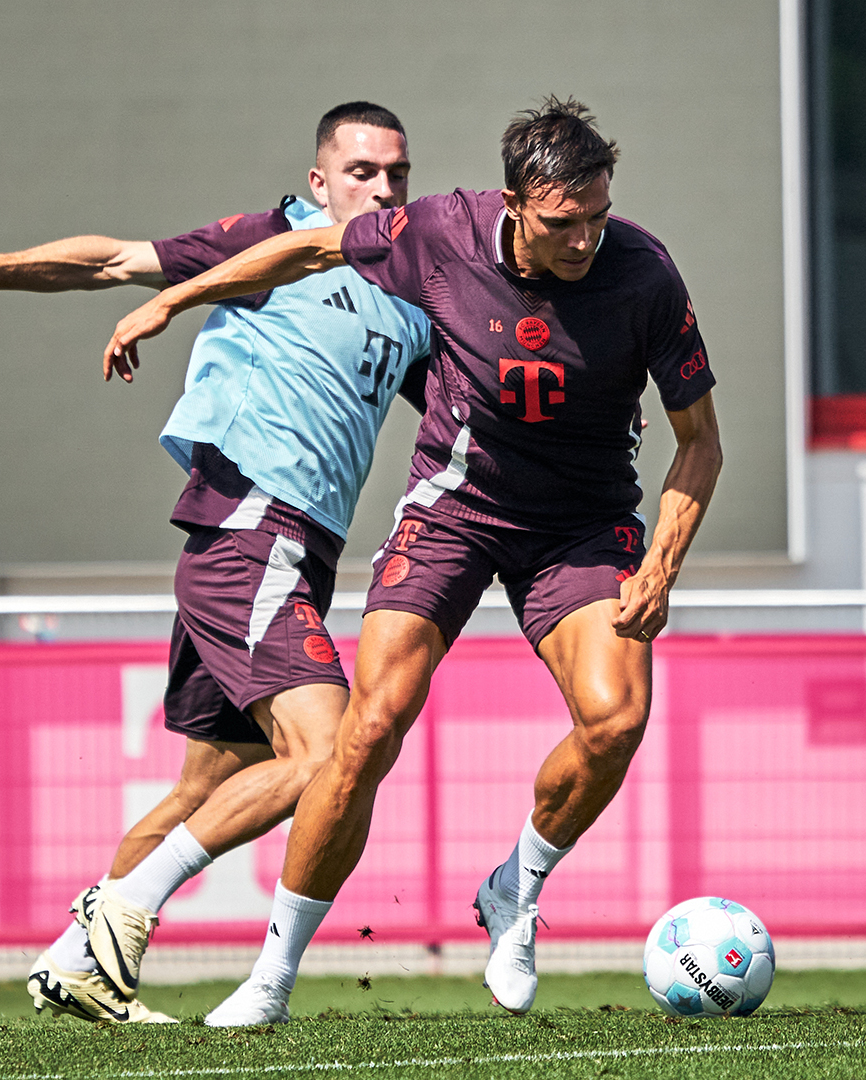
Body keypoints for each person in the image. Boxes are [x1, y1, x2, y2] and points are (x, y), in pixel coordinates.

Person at [103, 97, 723, 1026]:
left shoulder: (644, 274)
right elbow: (307, 249)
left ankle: (517, 887)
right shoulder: (439, 232)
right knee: (368, 728)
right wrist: (172, 297)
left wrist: (664, 563)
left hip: (583, 527)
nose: (587, 239)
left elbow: (701, 442)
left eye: (598, 214)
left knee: (618, 718)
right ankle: (271, 981)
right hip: (455, 512)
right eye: (564, 223)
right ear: (516, 203)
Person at [0, 102, 432, 1024]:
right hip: (253, 531)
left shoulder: (407, 297)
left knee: (205, 789)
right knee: (332, 754)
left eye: (396, 173)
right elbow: (109, 261)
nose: (382, 188)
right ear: (319, 181)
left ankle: (73, 965)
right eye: (362, 171)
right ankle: (121, 915)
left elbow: (476, 400)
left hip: (290, 555)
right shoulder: (273, 241)